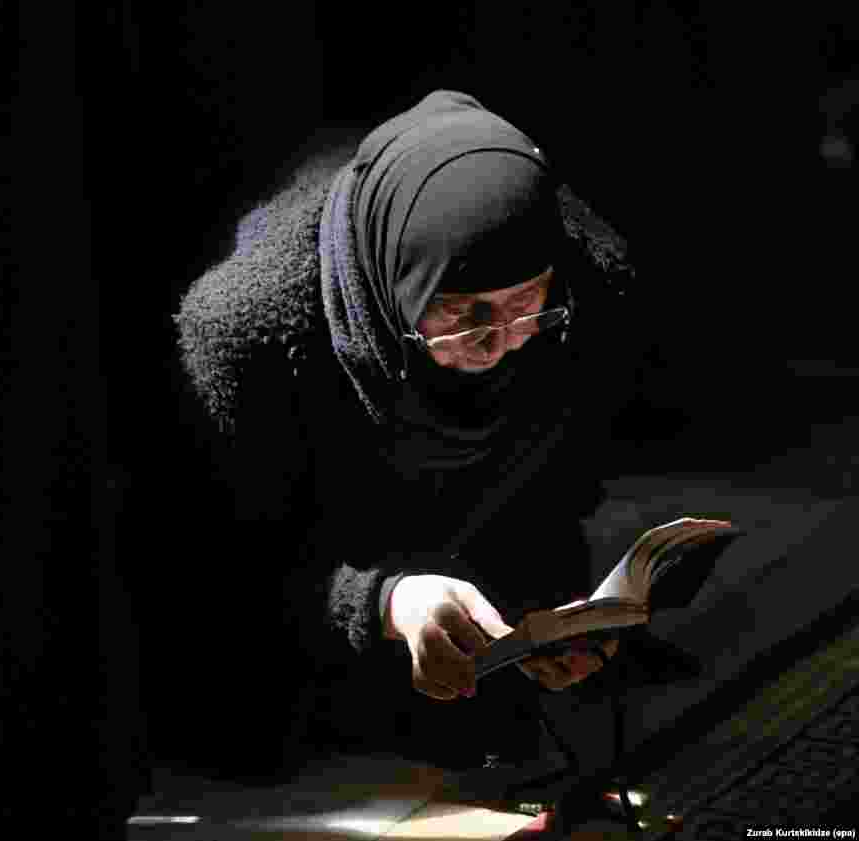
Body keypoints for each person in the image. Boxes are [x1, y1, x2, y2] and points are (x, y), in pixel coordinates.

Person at [172, 90, 642, 778]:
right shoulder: (247, 333)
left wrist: (547, 608)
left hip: (463, 596)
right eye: (463, 314)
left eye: (523, 307)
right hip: (285, 617)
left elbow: (556, 485)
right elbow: (217, 568)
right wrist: (385, 602)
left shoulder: (585, 288)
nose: (501, 343)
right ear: (396, 288)